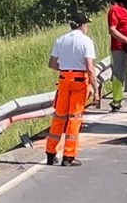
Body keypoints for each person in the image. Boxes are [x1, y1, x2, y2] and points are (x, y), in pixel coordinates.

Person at [45, 12, 99, 167]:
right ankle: (68, 156)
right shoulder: (86, 41)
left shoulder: (61, 40)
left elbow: (52, 64)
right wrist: (96, 89)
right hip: (79, 81)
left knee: (59, 117)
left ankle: (50, 152)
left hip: (63, 79)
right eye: (86, 24)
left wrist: (65, 69)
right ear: (82, 25)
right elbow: (89, 67)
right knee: (74, 119)